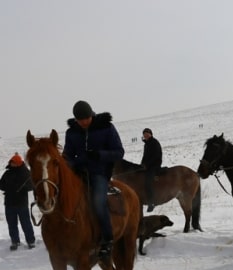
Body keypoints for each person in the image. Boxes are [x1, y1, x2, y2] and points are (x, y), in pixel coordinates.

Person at [62, 100, 125, 260]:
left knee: (98, 201)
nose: (83, 122)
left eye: (86, 119)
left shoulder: (106, 127)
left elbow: (119, 152)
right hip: (78, 173)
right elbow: (67, 156)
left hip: (99, 172)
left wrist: (99, 155)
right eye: (79, 120)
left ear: (91, 115)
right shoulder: (72, 132)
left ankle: (107, 240)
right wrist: (72, 163)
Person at [0, 153, 36, 250]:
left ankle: (31, 241)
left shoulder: (26, 173)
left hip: (22, 203)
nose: (12, 164)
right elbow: (0, 185)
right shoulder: (7, 173)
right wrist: (8, 188)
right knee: (12, 224)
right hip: (9, 203)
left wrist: (24, 188)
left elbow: (32, 185)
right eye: (11, 162)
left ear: (19, 163)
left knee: (26, 223)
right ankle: (15, 241)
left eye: (14, 162)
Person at [140, 128, 162, 212]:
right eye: (144, 134)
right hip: (148, 166)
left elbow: (156, 156)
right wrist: (141, 165)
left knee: (148, 182)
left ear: (151, 134)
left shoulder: (154, 142)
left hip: (154, 166)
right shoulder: (146, 144)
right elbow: (145, 156)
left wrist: (147, 165)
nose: (145, 135)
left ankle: (151, 203)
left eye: (147, 134)